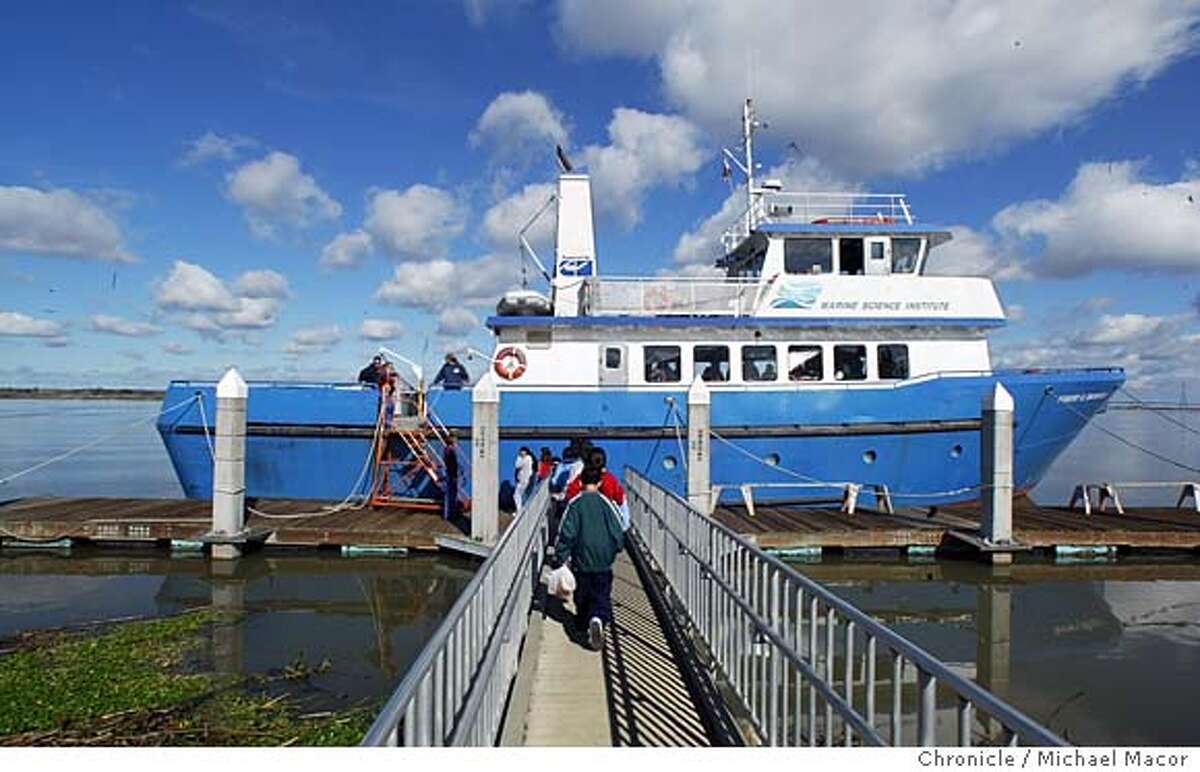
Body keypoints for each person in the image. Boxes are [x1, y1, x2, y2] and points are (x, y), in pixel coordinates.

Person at [554, 466, 626, 651]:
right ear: (600, 482)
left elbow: (566, 533)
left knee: (582, 595)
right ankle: (598, 618)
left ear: (580, 482)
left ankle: (582, 622)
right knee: (601, 594)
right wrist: (615, 548)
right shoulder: (606, 503)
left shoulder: (575, 504)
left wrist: (561, 556)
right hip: (603, 559)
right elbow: (618, 529)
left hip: (581, 560)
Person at [442, 433, 460, 521]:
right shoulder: (450, 450)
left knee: (451, 495)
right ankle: (449, 515)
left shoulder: (448, 450)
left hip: (451, 474)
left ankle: (450, 514)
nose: (456, 441)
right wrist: (454, 475)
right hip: (451, 475)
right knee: (450, 495)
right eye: (455, 439)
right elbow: (451, 464)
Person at [513, 446, 535, 511]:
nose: (521, 453)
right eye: (520, 451)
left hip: (524, 480)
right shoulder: (527, 458)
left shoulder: (527, 458)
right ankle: (520, 509)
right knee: (519, 495)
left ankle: (520, 509)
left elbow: (517, 465)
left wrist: (519, 457)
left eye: (522, 451)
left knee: (517, 495)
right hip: (523, 479)